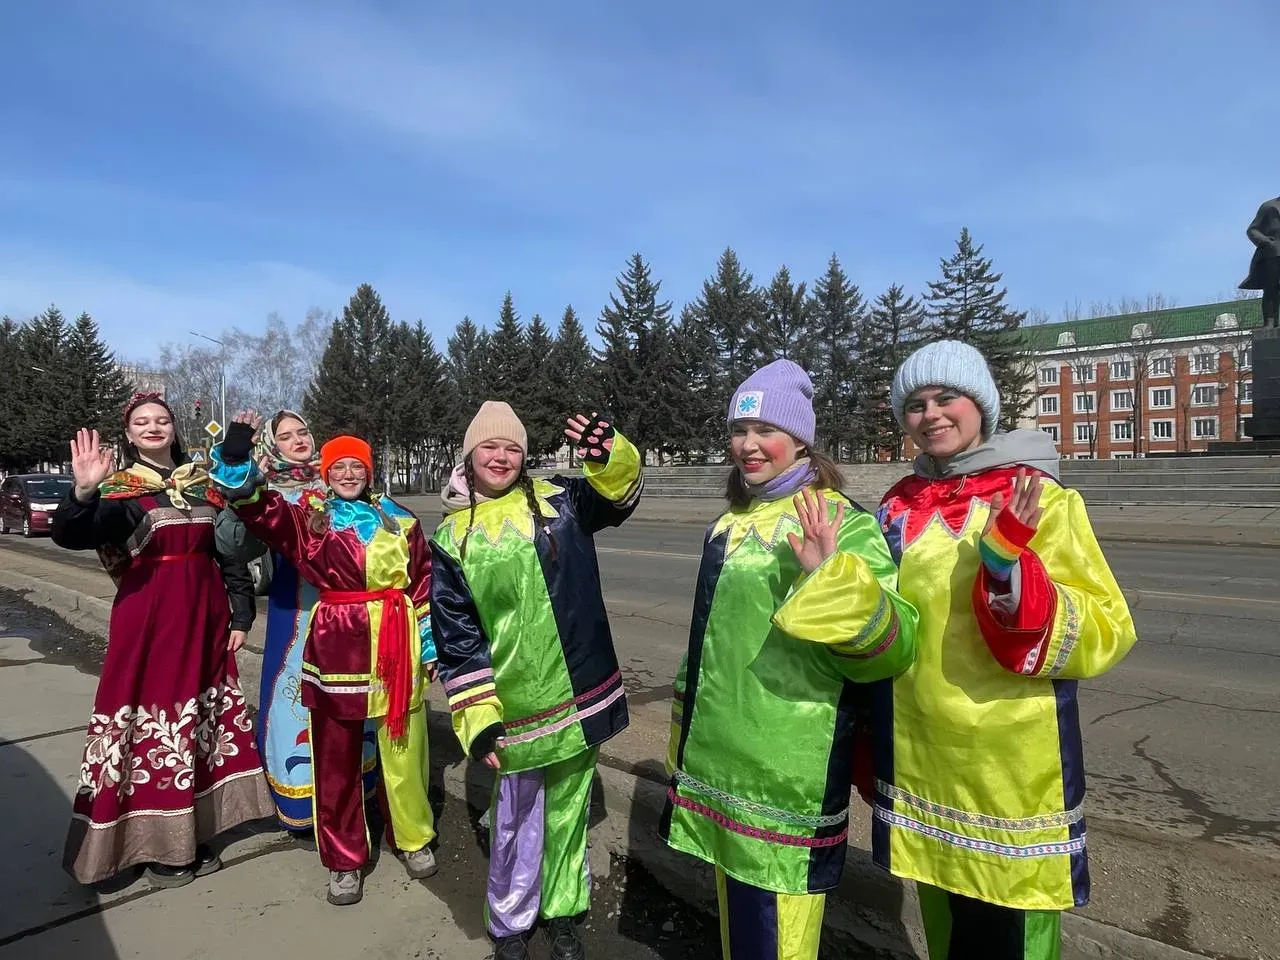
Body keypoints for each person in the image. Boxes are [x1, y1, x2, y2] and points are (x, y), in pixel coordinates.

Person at [875, 341, 1138, 960]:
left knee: (1008, 935)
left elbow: (1105, 626)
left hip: (1008, 769)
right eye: (915, 404)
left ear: (982, 406)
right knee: (945, 925)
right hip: (920, 758)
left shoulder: (1037, 497)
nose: (931, 413)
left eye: (947, 397)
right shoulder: (897, 505)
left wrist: (1005, 569)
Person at [660, 360, 918, 960]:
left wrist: (830, 578)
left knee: (778, 940)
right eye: (738, 431)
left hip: (787, 779)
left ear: (800, 438)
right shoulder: (728, 523)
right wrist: (683, 736)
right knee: (739, 934)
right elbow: (707, 643)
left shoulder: (840, 522)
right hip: (720, 765)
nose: (748, 446)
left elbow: (894, 647)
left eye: (765, 430)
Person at [430, 401, 642, 960]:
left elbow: (618, 495)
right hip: (515, 706)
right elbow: (457, 637)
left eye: (512, 447)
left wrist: (608, 452)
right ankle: (509, 922)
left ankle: (563, 911)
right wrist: (479, 717)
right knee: (516, 819)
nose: (501, 457)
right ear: (469, 454)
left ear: (525, 455)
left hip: (580, 693)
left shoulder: (563, 501)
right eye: (489, 447)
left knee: (570, 812)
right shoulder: (452, 538)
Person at [209, 412, 437, 907]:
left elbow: (422, 580)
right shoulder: (308, 518)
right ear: (326, 473)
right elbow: (253, 504)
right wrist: (235, 451)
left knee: (404, 750)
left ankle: (413, 837)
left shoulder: (400, 517)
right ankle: (344, 861)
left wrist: (428, 643)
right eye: (339, 467)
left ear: (370, 470)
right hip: (336, 645)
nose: (349, 474)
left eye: (358, 465)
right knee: (335, 760)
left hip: (396, 645)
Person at [51, 393, 274, 888]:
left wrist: (241, 613)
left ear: (174, 428)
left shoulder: (198, 486)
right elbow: (73, 533)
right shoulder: (122, 493)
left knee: (197, 724)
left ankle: (195, 829)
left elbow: (229, 553)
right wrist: (83, 493)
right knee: (151, 727)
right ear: (128, 435)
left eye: (162, 420)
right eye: (141, 422)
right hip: (148, 625)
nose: (153, 427)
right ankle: (154, 845)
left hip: (205, 620)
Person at [213, 410, 378, 834]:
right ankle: (302, 803)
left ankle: (359, 790)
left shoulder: (335, 481)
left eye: (302, 431)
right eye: (285, 436)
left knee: (350, 697)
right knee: (294, 699)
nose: (297, 440)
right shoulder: (265, 491)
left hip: (348, 611)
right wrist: (246, 491)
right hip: (296, 610)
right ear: (272, 447)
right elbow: (231, 545)